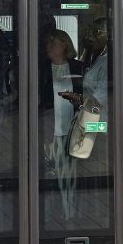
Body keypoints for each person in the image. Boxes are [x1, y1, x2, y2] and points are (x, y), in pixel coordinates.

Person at [43, 30, 85, 222]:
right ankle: (51, 212)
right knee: (51, 174)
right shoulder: (41, 68)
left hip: (71, 130)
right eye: (48, 44)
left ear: (65, 46)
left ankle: (69, 213)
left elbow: (87, 97)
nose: (49, 47)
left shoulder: (77, 67)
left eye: (53, 43)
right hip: (49, 129)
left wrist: (78, 100)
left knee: (69, 176)